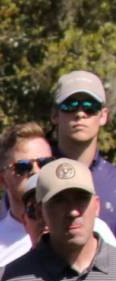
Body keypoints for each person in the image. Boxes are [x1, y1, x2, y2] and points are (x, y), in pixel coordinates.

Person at [49, 70, 116, 233]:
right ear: (55, 114)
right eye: (70, 105)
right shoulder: (35, 176)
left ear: (103, 116)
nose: (80, 114)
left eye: (90, 106)